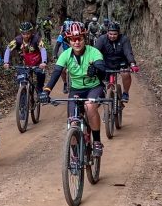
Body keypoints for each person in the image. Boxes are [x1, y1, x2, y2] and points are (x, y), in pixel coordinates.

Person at [40, 22, 107, 157]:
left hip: (94, 87)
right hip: (76, 90)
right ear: (69, 41)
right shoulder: (65, 55)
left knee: (89, 106)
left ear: (84, 39)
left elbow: (103, 71)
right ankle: (76, 156)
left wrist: (96, 70)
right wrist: (46, 90)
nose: (77, 42)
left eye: (79, 39)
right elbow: (56, 73)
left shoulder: (94, 52)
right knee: (73, 122)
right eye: (73, 40)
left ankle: (97, 142)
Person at [94, 22, 139, 102]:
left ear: (119, 33)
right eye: (110, 34)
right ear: (107, 32)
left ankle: (125, 93)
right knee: (97, 74)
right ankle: (101, 92)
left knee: (125, 73)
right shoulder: (102, 39)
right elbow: (95, 52)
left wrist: (132, 63)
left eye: (115, 34)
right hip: (106, 62)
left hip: (121, 61)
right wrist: (92, 63)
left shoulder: (124, 39)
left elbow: (128, 52)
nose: (112, 36)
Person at [3, 21, 48, 94]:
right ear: (21, 33)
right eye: (24, 34)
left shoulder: (36, 39)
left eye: (28, 33)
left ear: (31, 32)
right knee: (21, 79)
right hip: (24, 63)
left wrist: (44, 62)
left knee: (41, 74)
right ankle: (23, 95)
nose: (26, 36)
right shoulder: (17, 40)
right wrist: (5, 62)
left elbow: (42, 49)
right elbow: (8, 49)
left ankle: (39, 89)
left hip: (37, 63)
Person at [53, 20, 73, 93]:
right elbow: (57, 45)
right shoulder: (61, 35)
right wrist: (55, 55)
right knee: (62, 70)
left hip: (75, 52)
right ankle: (65, 83)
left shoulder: (74, 33)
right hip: (65, 54)